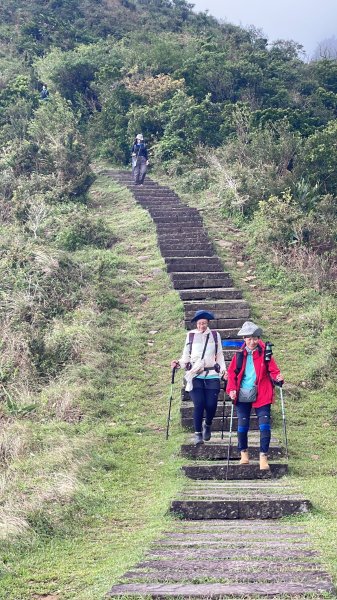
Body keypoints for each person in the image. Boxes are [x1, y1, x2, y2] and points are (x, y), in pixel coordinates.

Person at [226, 321, 284, 470]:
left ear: (258, 338)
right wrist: (231, 389)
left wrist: (278, 378)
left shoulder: (266, 353)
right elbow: (232, 374)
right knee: (243, 425)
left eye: (255, 338)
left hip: (262, 392)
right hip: (242, 393)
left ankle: (263, 456)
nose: (252, 342)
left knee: (264, 425)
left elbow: (274, 370)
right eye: (249, 338)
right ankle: (243, 453)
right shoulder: (239, 355)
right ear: (244, 339)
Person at [171, 310, 227, 445]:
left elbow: (219, 355)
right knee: (199, 404)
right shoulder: (190, 336)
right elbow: (186, 356)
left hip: (212, 374)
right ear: (196, 324)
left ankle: (207, 424)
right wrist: (178, 363)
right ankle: (198, 434)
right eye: (200, 323)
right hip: (195, 375)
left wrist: (224, 370)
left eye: (204, 323)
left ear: (208, 324)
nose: (202, 326)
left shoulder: (214, 335)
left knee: (212, 405)